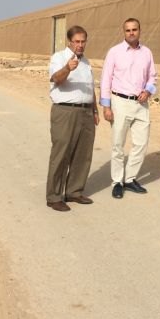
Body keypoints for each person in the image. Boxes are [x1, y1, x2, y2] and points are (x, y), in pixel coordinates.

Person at [99, 18, 157, 199]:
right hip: (120, 103)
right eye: (128, 30)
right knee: (118, 145)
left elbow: (152, 77)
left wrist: (148, 91)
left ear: (140, 30)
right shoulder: (114, 52)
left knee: (141, 143)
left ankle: (130, 179)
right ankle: (117, 182)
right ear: (123, 32)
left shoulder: (147, 53)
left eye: (134, 29)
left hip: (141, 104)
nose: (131, 33)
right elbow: (105, 79)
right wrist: (106, 106)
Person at [46, 25, 100, 212]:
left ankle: (74, 191)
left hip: (85, 112)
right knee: (61, 154)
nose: (80, 45)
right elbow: (56, 79)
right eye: (77, 41)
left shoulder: (86, 62)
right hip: (65, 112)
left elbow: (89, 88)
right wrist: (67, 68)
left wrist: (94, 110)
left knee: (82, 154)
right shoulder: (59, 57)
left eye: (83, 41)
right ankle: (54, 197)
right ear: (69, 42)